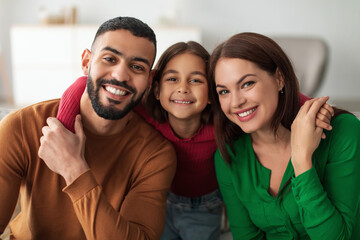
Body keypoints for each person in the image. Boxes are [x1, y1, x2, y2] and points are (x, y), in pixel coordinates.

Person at [56, 41, 333, 239]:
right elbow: (84, 84)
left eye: (196, 81)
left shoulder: (225, 122)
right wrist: (65, 131)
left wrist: (313, 107)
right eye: (172, 79)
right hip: (160, 199)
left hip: (207, 205)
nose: (182, 89)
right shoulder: (148, 112)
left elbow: (275, 94)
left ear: (213, 93)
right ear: (155, 89)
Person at [0, 16, 177, 240]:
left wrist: (74, 169)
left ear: (149, 80)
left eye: (136, 66)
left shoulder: (156, 154)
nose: (121, 75)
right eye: (110, 59)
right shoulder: (22, 127)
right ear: (86, 62)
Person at [209, 32, 360, 239]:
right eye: (224, 91)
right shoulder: (229, 156)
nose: (235, 103)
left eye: (247, 84)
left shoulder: (343, 132)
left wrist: (301, 160)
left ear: (279, 78)